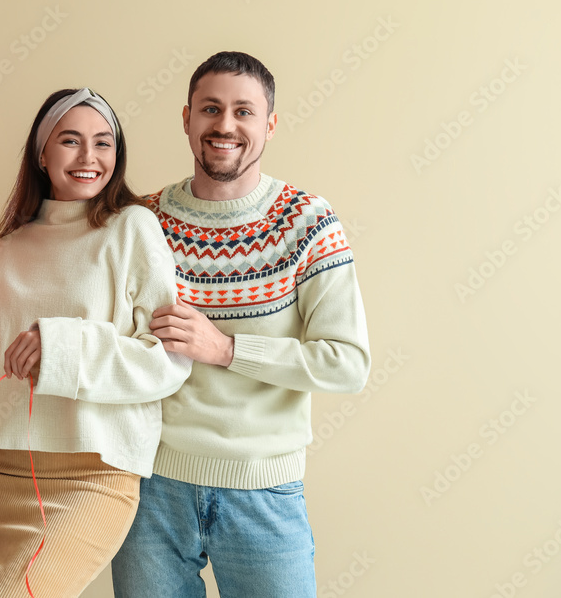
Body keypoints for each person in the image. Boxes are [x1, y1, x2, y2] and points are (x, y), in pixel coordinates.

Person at [0, 87, 191, 597]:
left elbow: (166, 361)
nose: (90, 157)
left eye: (104, 143)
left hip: (92, 477)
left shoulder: (133, 229)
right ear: (42, 153)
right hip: (1, 478)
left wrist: (62, 347)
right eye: (71, 141)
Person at [111, 52, 372, 598]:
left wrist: (227, 349)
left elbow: (347, 364)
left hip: (264, 488)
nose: (224, 125)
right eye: (210, 109)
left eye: (243, 112)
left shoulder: (308, 221)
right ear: (187, 119)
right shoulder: (144, 221)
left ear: (269, 125)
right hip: (151, 487)